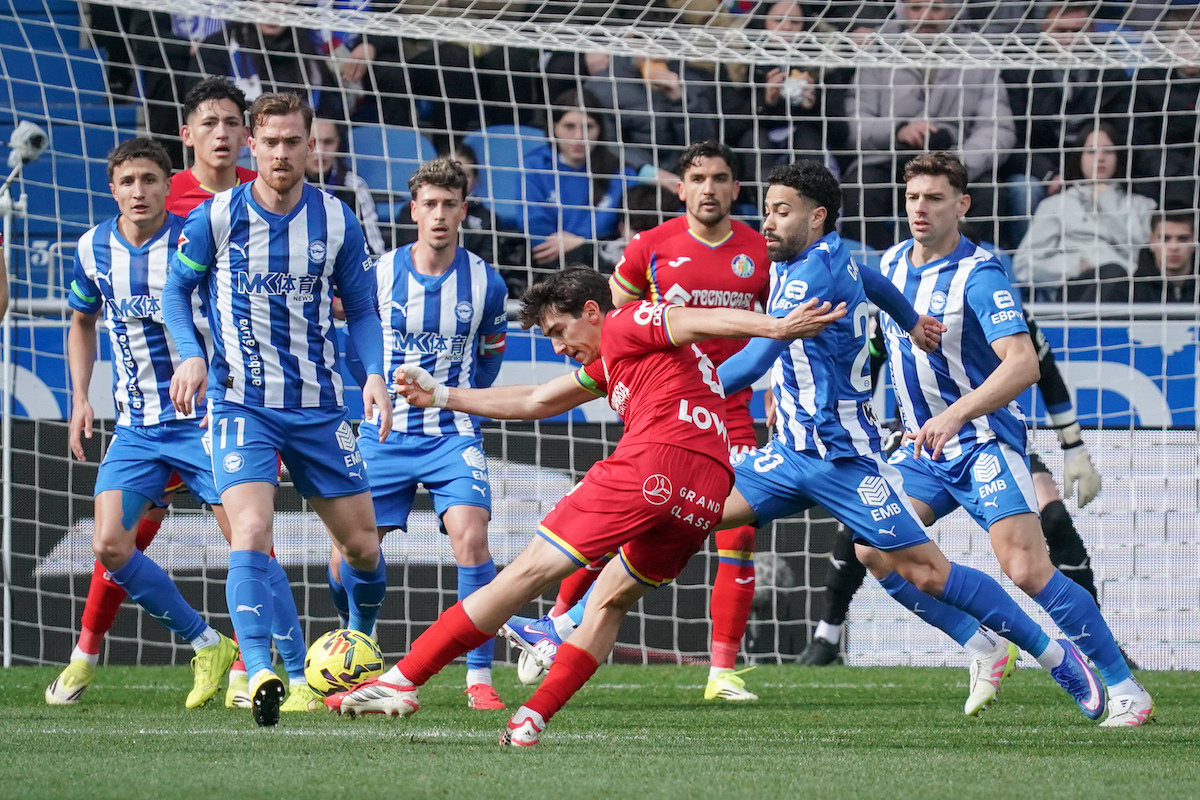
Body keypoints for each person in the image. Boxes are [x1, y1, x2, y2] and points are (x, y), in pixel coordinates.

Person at [323, 266, 846, 744]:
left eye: (558, 332)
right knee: (609, 602)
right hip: (707, 491)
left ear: (591, 312)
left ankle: (402, 680)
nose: (557, 347)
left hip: (656, 462)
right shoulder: (621, 362)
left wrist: (774, 327)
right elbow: (537, 401)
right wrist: (443, 397)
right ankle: (534, 717)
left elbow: (693, 318)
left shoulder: (624, 322)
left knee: (523, 575)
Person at [868, 151, 1154, 726]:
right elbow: (877, 347)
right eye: (913, 197)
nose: (921, 208)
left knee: (1025, 569)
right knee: (872, 549)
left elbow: (1023, 364)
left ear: (962, 204)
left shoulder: (981, 273)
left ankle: (1125, 689)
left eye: (935, 198)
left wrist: (955, 415)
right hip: (922, 451)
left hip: (980, 443)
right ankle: (983, 644)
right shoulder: (890, 265)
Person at [507, 140, 769, 702]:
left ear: (735, 189)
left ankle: (721, 672)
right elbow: (610, 320)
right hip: (662, 412)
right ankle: (555, 624)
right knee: (621, 519)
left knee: (738, 531)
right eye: (698, 178)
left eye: (720, 178)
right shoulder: (651, 246)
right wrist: (606, 385)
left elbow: (780, 324)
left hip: (732, 412)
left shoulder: (760, 251)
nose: (709, 189)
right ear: (681, 188)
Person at [162, 92, 393, 727]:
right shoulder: (214, 217)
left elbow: (364, 309)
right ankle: (260, 668)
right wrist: (190, 354)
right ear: (251, 147)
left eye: (294, 141)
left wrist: (372, 373)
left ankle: (357, 643)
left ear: (309, 145)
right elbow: (176, 293)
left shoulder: (337, 220)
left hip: (320, 408)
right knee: (252, 534)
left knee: (363, 550)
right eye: (270, 142)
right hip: (243, 404)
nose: (282, 153)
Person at [800, 307, 1123, 673]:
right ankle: (828, 633)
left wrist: (1073, 446)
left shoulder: (992, 298)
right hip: (919, 441)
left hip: (988, 437)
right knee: (865, 526)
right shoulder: (894, 301)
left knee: (1048, 525)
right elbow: (865, 369)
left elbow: (1042, 371)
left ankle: (1099, 645)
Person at [45, 138, 239, 708]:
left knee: (249, 544)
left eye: (150, 180)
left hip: (206, 421)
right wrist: (80, 398)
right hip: (138, 428)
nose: (139, 191)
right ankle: (208, 643)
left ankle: (261, 668)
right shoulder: (92, 246)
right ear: (113, 189)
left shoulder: (191, 238)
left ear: (166, 184)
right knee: (110, 543)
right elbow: (82, 321)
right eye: (128, 182)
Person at [336, 156, 510, 710]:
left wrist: (456, 400)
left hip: (451, 436)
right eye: (429, 205)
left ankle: (478, 677)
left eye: (449, 205)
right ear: (413, 210)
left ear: (464, 210)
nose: (439, 215)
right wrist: (373, 392)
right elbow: (352, 348)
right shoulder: (379, 273)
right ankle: (358, 646)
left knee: (473, 539)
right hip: (382, 435)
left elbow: (489, 361)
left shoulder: (486, 282)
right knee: (349, 558)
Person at [843, 0, 1015, 249]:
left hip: (958, 160)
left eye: (936, 8)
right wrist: (899, 129)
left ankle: (968, 271)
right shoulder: (878, 51)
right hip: (887, 158)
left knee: (989, 194)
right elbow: (856, 121)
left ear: (954, 11)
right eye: (916, 8)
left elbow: (999, 128)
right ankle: (877, 275)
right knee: (860, 190)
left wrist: (959, 163)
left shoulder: (980, 55)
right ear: (903, 12)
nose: (925, 17)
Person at [1014, 122, 1156, 301]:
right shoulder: (1056, 205)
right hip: (1075, 289)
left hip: (1131, 288)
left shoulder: (1143, 206)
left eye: (1108, 151)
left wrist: (1106, 200)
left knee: (1116, 273)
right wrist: (1076, 265)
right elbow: (1024, 266)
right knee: (1112, 273)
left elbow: (1150, 263)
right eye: (1091, 151)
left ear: (1119, 156)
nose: (1100, 158)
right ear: (1079, 156)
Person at [523, 89, 634, 270]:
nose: (578, 137)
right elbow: (534, 223)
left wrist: (582, 243)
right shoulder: (534, 166)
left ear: (600, 130)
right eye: (569, 126)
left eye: (588, 127)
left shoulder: (621, 172)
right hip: (547, 262)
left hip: (600, 264)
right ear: (554, 128)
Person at [305, 117, 388, 256]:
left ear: (338, 143)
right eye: (312, 143)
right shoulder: (289, 186)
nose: (320, 151)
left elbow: (373, 246)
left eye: (328, 142)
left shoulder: (354, 186)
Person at [1130, 210, 1199, 303]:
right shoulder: (1129, 292)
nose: (1174, 247)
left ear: (1194, 242)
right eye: (1165, 239)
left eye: (1183, 239)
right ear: (1151, 241)